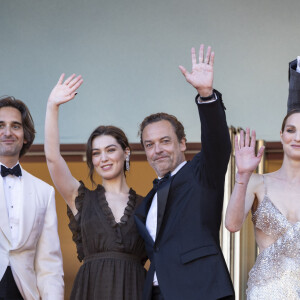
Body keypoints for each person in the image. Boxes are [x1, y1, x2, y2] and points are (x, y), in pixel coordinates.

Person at [134, 44, 235, 300]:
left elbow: (218, 144)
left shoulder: (201, 173)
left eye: (165, 141)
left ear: (182, 143)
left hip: (200, 291)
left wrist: (206, 96)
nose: (157, 150)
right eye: (149, 144)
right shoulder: (146, 202)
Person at [44, 74, 147, 300]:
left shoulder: (147, 204)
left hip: (135, 290)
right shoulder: (80, 198)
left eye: (110, 150)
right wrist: (52, 107)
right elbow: (53, 159)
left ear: (126, 152)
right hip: (91, 290)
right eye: (96, 153)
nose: (104, 158)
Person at [225, 58, 300, 299]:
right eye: (291, 130)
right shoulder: (258, 182)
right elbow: (232, 225)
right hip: (267, 291)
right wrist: (243, 175)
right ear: (281, 135)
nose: (297, 138)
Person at [0, 96, 64, 299]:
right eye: (0, 125)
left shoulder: (44, 191)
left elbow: (49, 264)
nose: (7, 132)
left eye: (15, 126)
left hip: (25, 293)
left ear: (25, 136)